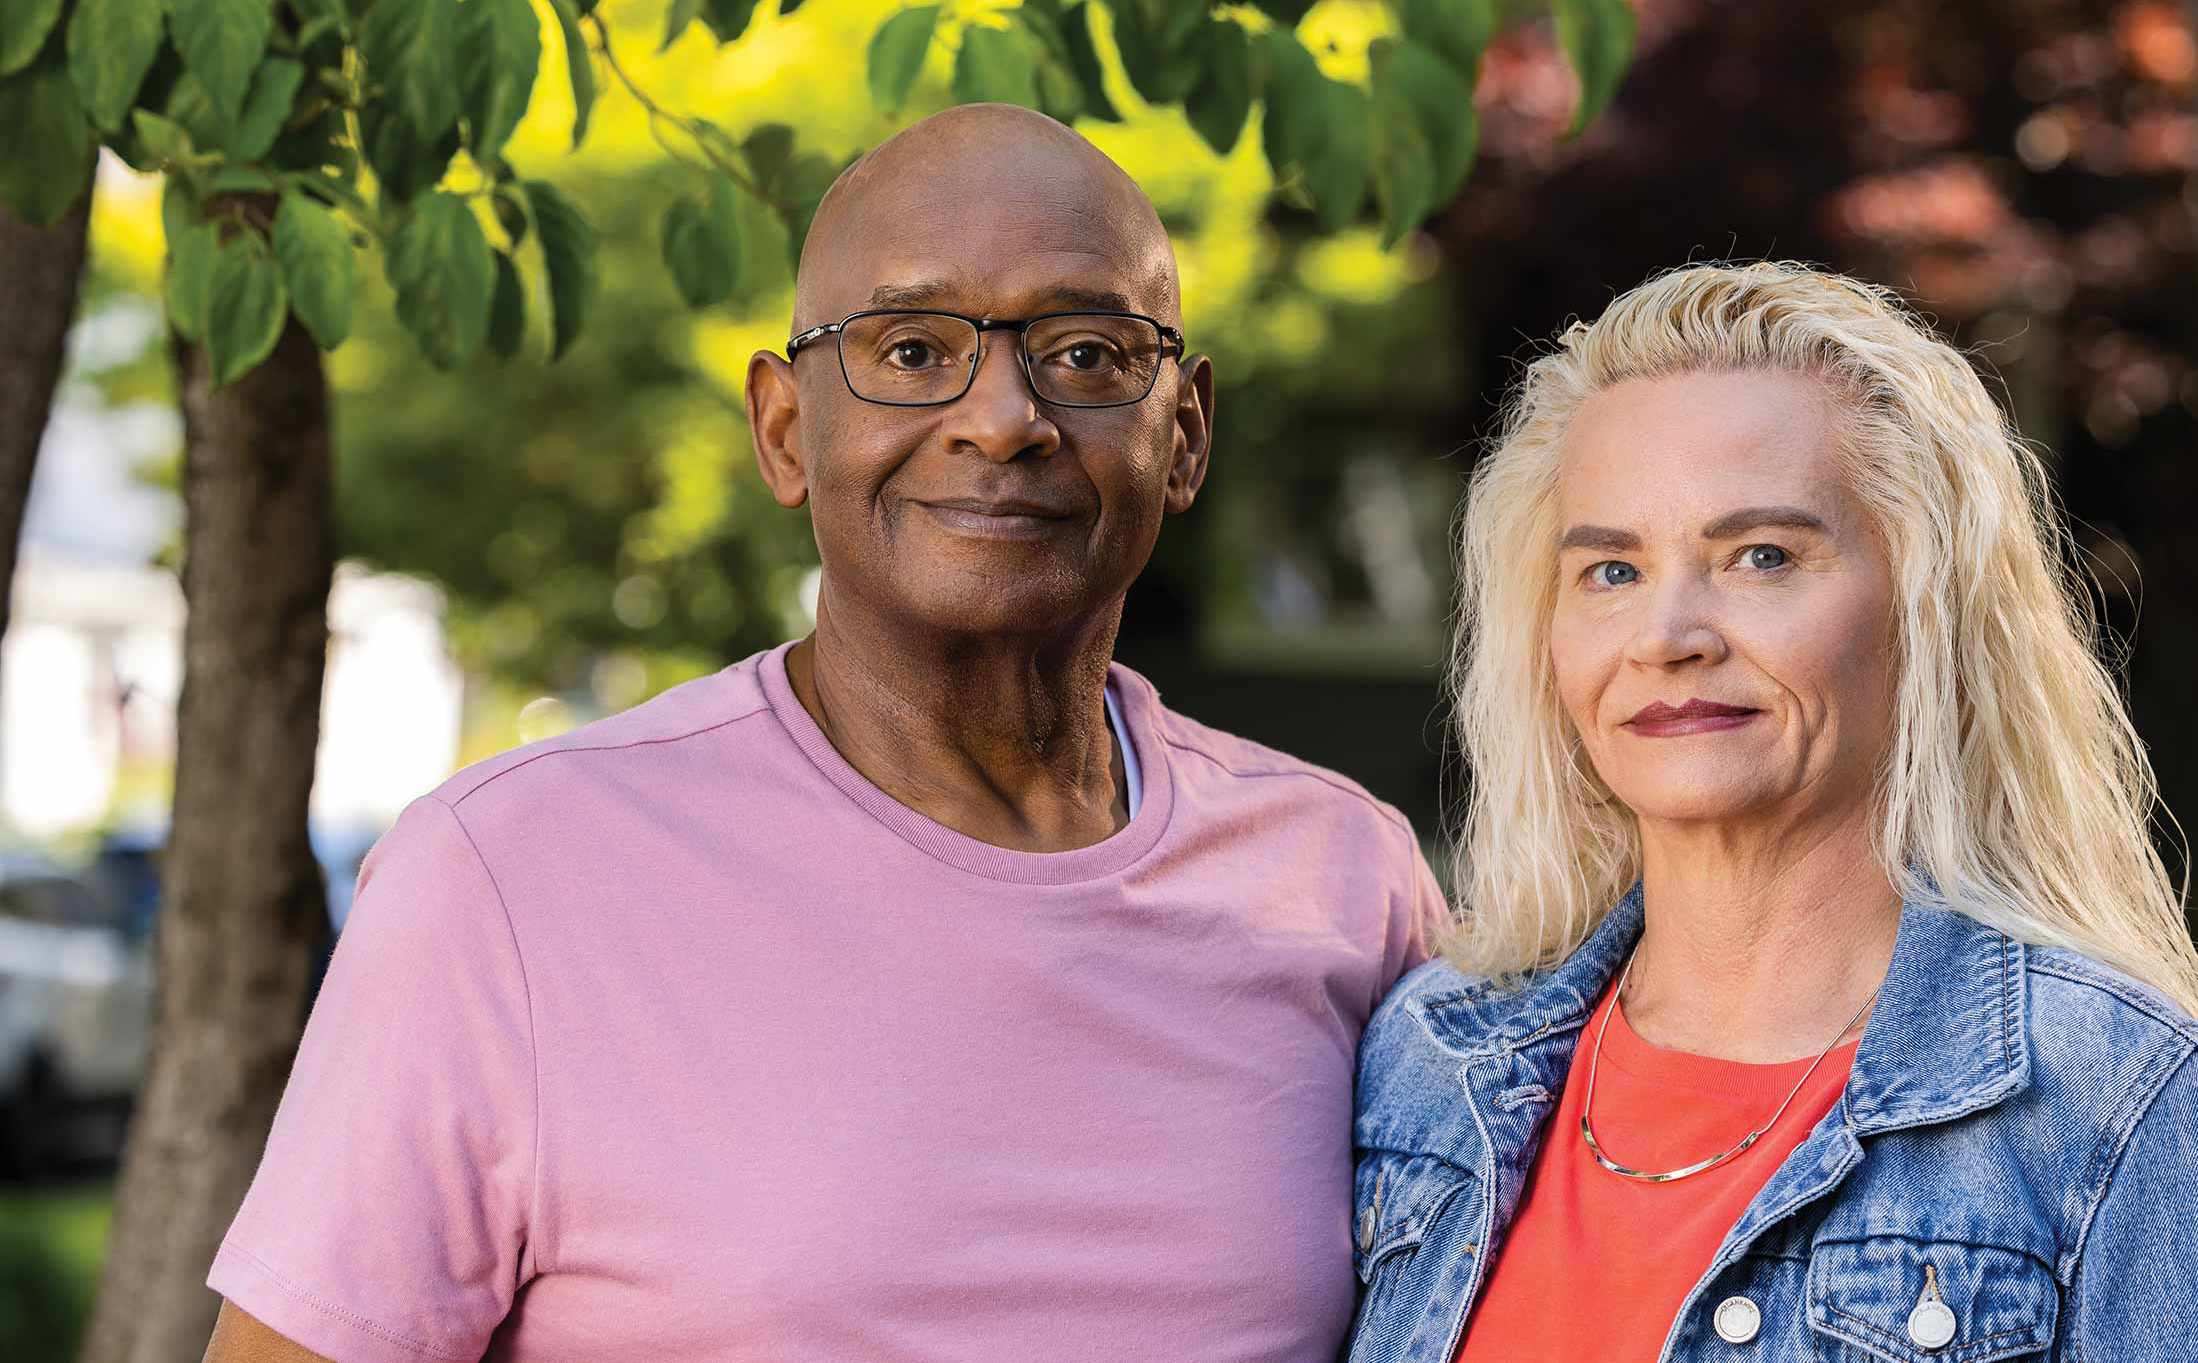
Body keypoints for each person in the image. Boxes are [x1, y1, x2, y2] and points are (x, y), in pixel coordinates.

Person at [201, 105, 1438, 1363]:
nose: (1003, 417)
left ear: (1185, 432)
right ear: (785, 430)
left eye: (1085, 352)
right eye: (910, 349)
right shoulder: (510, 874)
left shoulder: (1344, 877)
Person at [1344, 262, 2198, 1361]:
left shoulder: (2119, 1106)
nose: (1667, 634)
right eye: (1610, 571)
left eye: (1761, 556)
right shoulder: (1428, 1063)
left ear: (1924, 609)